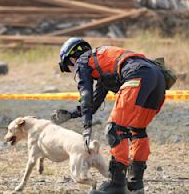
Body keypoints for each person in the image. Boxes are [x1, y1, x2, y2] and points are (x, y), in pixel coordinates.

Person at [52, 37, 166, 194]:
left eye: (68, 68)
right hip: (157, 77)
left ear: (72, 59)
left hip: (136, 75)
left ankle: (117, 184)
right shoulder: (101, 63)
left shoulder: (82, 62)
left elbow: (85, 92)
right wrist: (72, 114)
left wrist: (87, 127)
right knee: (137, 130)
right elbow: (92, 104)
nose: (72, 72)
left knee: (115, 128)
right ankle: (135, 185)